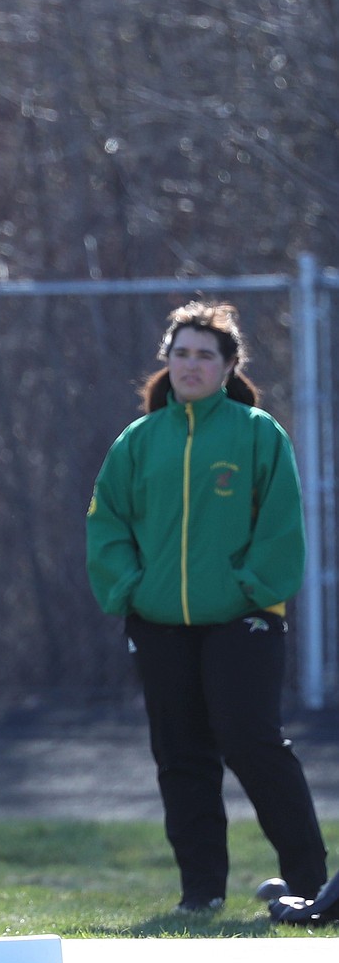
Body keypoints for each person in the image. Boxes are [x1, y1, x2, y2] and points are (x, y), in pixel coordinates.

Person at [86, 300, 327, 913]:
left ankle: (310, 884)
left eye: (205, 355)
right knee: (181, 754)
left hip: (242, 621)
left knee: (251, 742)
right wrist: (132, 591)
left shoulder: (256, 433)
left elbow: (281, 528)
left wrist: (249, 588)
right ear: (166, 362)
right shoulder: (138, 441)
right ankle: (202, 893)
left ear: (228, 367)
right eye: (182, 353)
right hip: (160, 623)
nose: (191, 365)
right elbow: (107, 524)